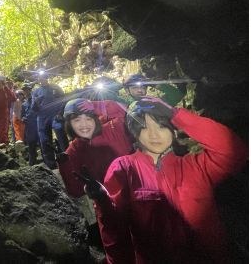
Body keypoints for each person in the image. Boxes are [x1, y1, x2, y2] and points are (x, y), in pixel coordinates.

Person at [88, 97, 247, 263]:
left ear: (173, 131)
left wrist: (177, 115)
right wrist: (103, 204)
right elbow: (116, 228)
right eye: (143, 127)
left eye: (162, 125)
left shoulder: (196, 166)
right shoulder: (124, 168)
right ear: (134, 132)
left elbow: (234, 150)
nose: (154, 134)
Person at [57, 98, 134, 199]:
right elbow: (75, 191)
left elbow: (131, 115)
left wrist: (100, 106)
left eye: (88, 118)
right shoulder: (74, 151)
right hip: (112, 202)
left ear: (96, 119)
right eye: (77, 120)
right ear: (69, 124)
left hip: (140, 189)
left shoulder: (113, 128)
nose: (84, 124)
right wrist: (64, 165)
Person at [31, 72, 67, 169]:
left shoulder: (55, 87)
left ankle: (68, 159)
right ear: (38, 80)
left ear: (47, 77)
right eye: (40, 78)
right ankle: (51, 165)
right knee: (44, 140)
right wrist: (36, 103)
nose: (42, 79)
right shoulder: (36, 92)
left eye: (44, 77)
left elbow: (64, 100)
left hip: (56, 115)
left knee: (61, 136)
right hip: (42, 118)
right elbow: (33, 109)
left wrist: (61, 113)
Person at [22, 82, 40, 165]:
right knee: (31, 143)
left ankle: (47, 161)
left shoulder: (35, 99)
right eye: (25, 90)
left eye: (27, 90)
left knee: (41, 142)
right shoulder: (23, 104)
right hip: (29, 125)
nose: (26, 91)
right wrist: (23, 118)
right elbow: (21, 115)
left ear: (30, 90)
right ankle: (32, 161)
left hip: (38, 123)